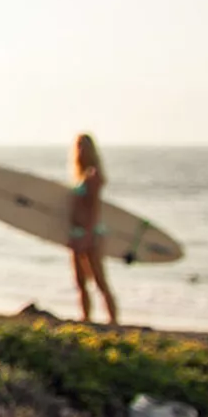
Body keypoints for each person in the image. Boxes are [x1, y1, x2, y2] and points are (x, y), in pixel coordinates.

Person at [68, 133, 119, 325]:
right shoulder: (80, 175)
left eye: (84, 146)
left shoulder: (93, 175)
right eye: (78, 146)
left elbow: (94, 210)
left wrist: (88, 236)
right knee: (80, 281)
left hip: (91, 234)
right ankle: (86, 318)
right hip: (76, 233)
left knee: (100, 281)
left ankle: (113, 321)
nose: (81, 150)